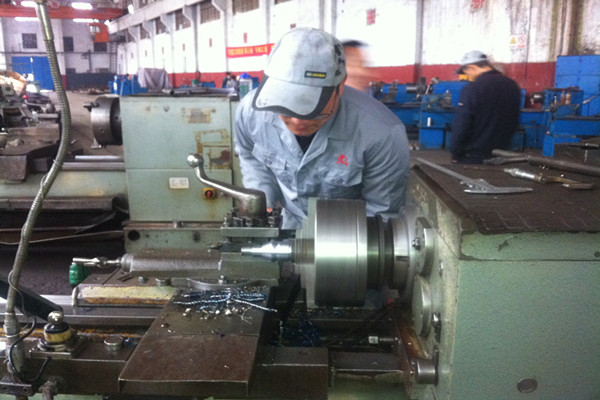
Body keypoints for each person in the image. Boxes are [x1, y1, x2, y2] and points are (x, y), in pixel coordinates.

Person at [234, 27, 410, 229]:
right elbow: (250, 156)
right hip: (290, 226)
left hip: (350, 235)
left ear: (340, 87)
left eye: (311, 109)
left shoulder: (382, 135)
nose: (297, 121)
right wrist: (262, 200)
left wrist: (351, 245)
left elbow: (381, 217)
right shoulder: (251, 114)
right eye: (285, 107)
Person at [449, 50, 521, 164]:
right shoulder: (512, 85)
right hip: (502, 154)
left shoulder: (473, 88)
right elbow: (515, 119)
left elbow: (462, 123)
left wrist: (455, 151)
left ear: (471, 67)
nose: (467, 76)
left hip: (473, 155)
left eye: (466, 72)